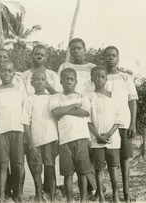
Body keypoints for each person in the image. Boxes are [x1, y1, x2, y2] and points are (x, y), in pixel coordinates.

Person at [58, 38, 98, 197]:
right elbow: (58, 90)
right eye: (73, 49)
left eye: (79, 48)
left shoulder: (91, 67)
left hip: (87, 108)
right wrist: (67, 108)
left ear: (85, 49)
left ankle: (94, 188)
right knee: (81, 156)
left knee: (90, 153)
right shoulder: (65, 67)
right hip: (71, 115)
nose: (76, 51)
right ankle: (91, 189)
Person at [49, 68, 94, 203]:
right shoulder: (56, 97)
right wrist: (74, 106)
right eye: (66, 79)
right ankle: (69, 200)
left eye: (71, 79)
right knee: (68, 174)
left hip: (81, 138)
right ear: (61, 81)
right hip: (65, 140)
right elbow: (56, 112)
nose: (68, 81)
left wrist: (65, 110)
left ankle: (83, 199)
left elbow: (85, 113)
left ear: (76, 81)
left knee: (82, 172)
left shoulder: (82, 96)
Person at [0, 61, 26, 202]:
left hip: (18, 130)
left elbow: (26, 110)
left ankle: (18, 193)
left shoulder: (20, 88)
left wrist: (26, 132)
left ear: (14, 72)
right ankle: (2, 194)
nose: (6, 73)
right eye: (3, 71)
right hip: (1, 131)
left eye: (9, 71)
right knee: (3, 164)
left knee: (19, 164)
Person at [103, 46, 138, 203]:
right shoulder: (101, 77)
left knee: (125, 158)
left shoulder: (125, 77)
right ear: (103, 58)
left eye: (114, 55)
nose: (111, 58)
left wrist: (133, 124)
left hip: (123, 123)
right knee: (111, 161)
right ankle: (115, 192)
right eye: (108, 55)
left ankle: (126, 192)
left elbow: (132, 101)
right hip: (107, 125)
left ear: (118, 58)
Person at [84, 66, 124, 203]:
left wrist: (109, 133)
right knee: (99, 168)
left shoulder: (114, 96)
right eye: (96, 77)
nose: (99, 79)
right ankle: (100, 196)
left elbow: (119, 118)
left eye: (102, 77)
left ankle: (115, 196)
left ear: (106, 78)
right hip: (96, 140)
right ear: (92, 79)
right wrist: (98, 136)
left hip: (113, 140)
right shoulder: (89, 97)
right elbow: (88, 120)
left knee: (113, 168)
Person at [21, 70, 58, 202]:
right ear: (31, 83)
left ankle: (52, 197)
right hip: (36, 140)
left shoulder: (52, 98)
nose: (40, 82)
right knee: (37, 169)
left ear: (46, 82)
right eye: (37, 80)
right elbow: (26, 123)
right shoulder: (29, 100)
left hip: (50, 138)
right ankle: (39, 196)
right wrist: (31, 143)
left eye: (43, 79)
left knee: (50, 167)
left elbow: (60, 100)